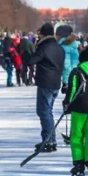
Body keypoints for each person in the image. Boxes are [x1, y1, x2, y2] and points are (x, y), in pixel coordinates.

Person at [28, 22, 65, 153]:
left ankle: (48, 141)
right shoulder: (59, 47)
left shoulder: (44, 47)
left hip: (46, 82)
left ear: (43, 34)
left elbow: (31, 60)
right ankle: (50, 139)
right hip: (55, 82)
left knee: (44, 112)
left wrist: (31, 50)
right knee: (47, 112)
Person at [63, 47, 88, 176]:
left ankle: (79, 164)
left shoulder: (76, 72)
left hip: (79, 109)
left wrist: (67, 103)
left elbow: (72, 90)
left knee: (76, 137)